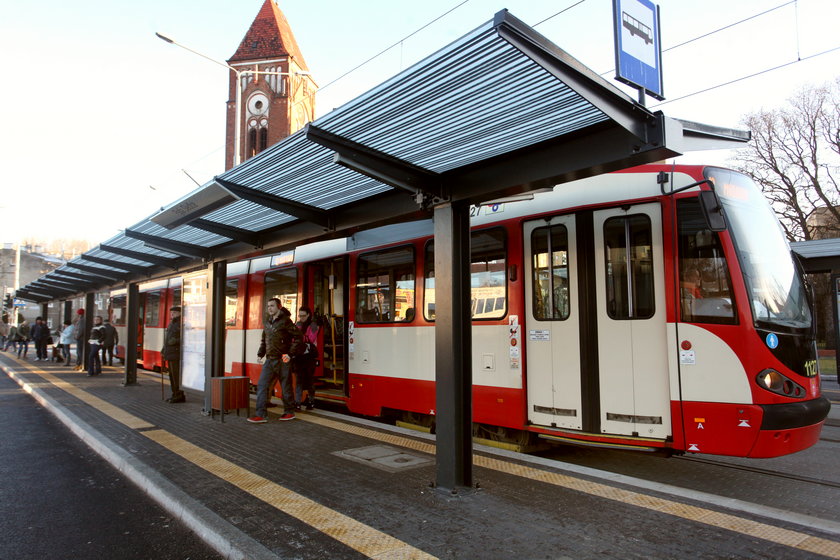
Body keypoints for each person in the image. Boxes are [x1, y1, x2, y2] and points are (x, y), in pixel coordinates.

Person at [248, 298, 301, 423]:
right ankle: (261, 414)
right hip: (270, 360)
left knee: (286, 387)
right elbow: (264, 340)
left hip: (283, 359)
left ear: (279, 306)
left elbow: (299, 337)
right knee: (262, 385)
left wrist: (290, 354)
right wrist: (260, 353)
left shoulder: (285, 321)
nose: (269, 308)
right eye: (268, 306)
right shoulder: (267, 322)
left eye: (272, 306)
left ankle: (289, 412)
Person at [293, 306, 319, 411]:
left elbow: (311, 339)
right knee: (299, 380)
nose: (301, 318)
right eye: (300, 316)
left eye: (303, 316)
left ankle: (311, 401)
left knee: (309, 381)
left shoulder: (313, 325)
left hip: (309, 357)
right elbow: (293, 338)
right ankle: (298, 403)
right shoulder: (298, 324)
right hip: (299, 356)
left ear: (308, 315)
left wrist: (300, 337)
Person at [162, 306, 184, 403]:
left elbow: (187, 337)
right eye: (171, 313)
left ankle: (179, 395)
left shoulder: (181, 324)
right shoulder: (172, 324)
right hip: (170, 352)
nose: (172, 315)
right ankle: (174, 394)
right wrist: (164, 349)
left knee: (176, 375)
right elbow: (167, 339)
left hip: (175, 353)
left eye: (174, 313)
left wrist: (176, 341)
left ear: (179, 313)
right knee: (171, 375)